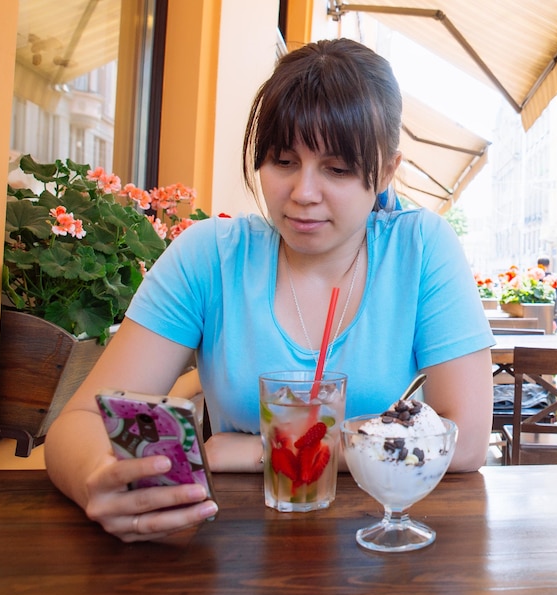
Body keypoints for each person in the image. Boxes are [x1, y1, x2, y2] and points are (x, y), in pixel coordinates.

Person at [44, 38, 495, 542]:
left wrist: (265, 449)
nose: (303, 193)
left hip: (382, 555)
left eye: (338, 169)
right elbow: (77, 424)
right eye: (283, 161)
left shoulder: (420, 248)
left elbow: (468, 439)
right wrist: (94, 483)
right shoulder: (209, 256)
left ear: (386, 172)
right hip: (230, 562)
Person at [537, 256, 557, 331]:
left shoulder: (536, 279)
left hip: (540, 312)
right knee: (554, 332)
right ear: (549, 265)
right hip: (556, 311)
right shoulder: (556, 278)